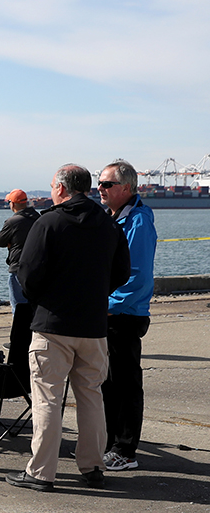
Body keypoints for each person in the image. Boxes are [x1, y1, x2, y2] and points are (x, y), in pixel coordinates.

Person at [7, 164, 130, 492]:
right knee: (91, 396)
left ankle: (41, 472)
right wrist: (96, 293)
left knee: (47, 397)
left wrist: (45, 298)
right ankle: (92, 466)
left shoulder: (48, 221)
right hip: (94, 326)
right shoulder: (108, 224)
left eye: (51, 186)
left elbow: (28, 274)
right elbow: (122, 271)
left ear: (61, 189)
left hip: (53, 324)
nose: (50, 192)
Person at [97, 159, 157, 472]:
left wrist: (109, 303)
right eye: (99, 182)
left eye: (107, 184)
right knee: (108, 383)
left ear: (126, 188)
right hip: (110, 312)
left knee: (125, 383)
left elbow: (137, 274)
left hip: (124, 314)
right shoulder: (113, 217)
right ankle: (109, 444)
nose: (100, 188)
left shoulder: (138, 220)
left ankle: (125, 449)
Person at [0, 188, 40, 387]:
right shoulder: (38, 218)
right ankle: (35, 341)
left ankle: (18, 344)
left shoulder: (13, 221)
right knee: (33, 308)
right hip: (38, 271)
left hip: (17, 269)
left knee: (18, 308)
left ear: (12, 204)